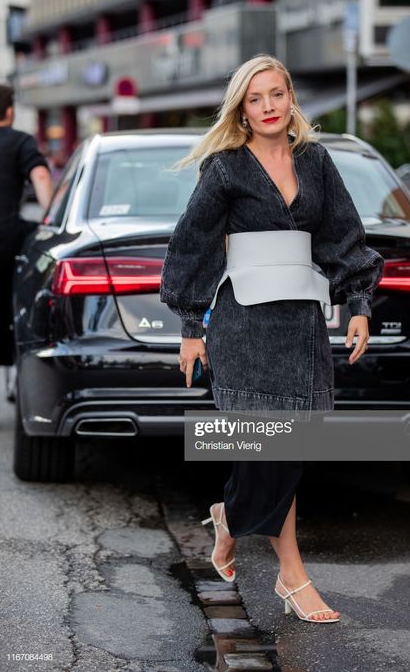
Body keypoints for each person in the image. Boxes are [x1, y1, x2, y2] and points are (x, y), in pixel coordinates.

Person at [160, 55, 384, 623]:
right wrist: (192, 327)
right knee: (267, 444)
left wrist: (357, 305)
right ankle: (293, 576)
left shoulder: (315, 160)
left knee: (292, 446)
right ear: (242, 106)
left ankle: (230, 518)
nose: (267, 107)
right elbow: (194, 244)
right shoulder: (226, 168)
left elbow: (343, 235)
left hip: (302, 323)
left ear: (291, 100)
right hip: (243, 324)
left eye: (276, 95)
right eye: (255, 98)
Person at [0, 83, 53, 365]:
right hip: (5, 237)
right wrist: (51, 215)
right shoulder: (20, 141)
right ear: (10, 111)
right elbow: (41, 177)